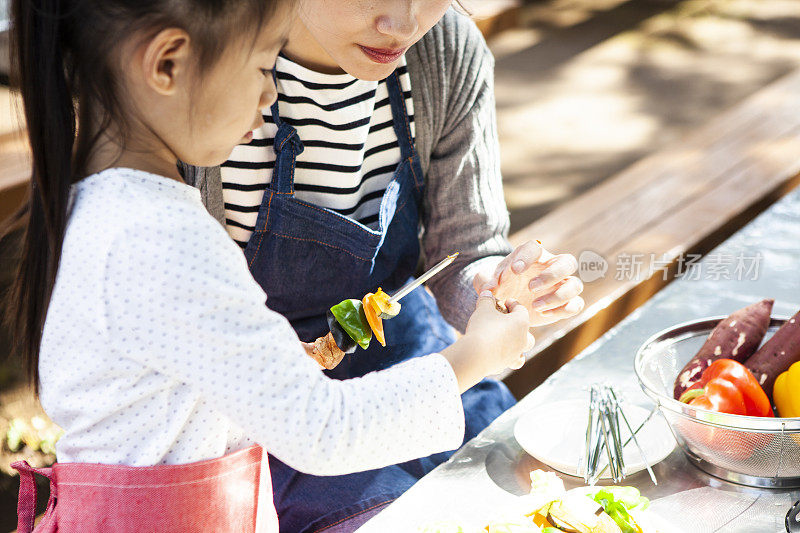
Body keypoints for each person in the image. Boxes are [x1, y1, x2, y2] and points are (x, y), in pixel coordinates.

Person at [3, 0, 534, 531]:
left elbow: (183, 385)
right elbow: (321, 431)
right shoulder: (164, 240)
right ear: (167, 64)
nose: (271, 93)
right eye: (261, 67)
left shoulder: (114, 210)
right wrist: (476, 354)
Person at [182, 1, 585, 530]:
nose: (404, 24)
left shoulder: (442, 53)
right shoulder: (203, 71)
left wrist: (494, 288)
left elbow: (465, 250)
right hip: (262, 404)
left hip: (411, 354)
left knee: (546, 499)